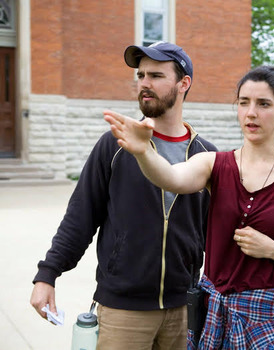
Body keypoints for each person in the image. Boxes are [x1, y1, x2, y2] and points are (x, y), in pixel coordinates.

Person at [104, 65, 274, 349]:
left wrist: (272, 249)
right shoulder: (215, 163)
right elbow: (172, 177)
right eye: (244, 103)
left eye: (263, 104)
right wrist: (144, 153)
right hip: (216, 320)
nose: (251, 113)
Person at [30, 41, 217, 349]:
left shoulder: (206, 155)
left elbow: (217, 234)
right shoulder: (114, 145)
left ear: (184, 84)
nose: (144, 83)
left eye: (156, 75)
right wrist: (47, 274)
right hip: (122, 310)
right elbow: (80, 217)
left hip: (185, 309)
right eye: (141, 75)